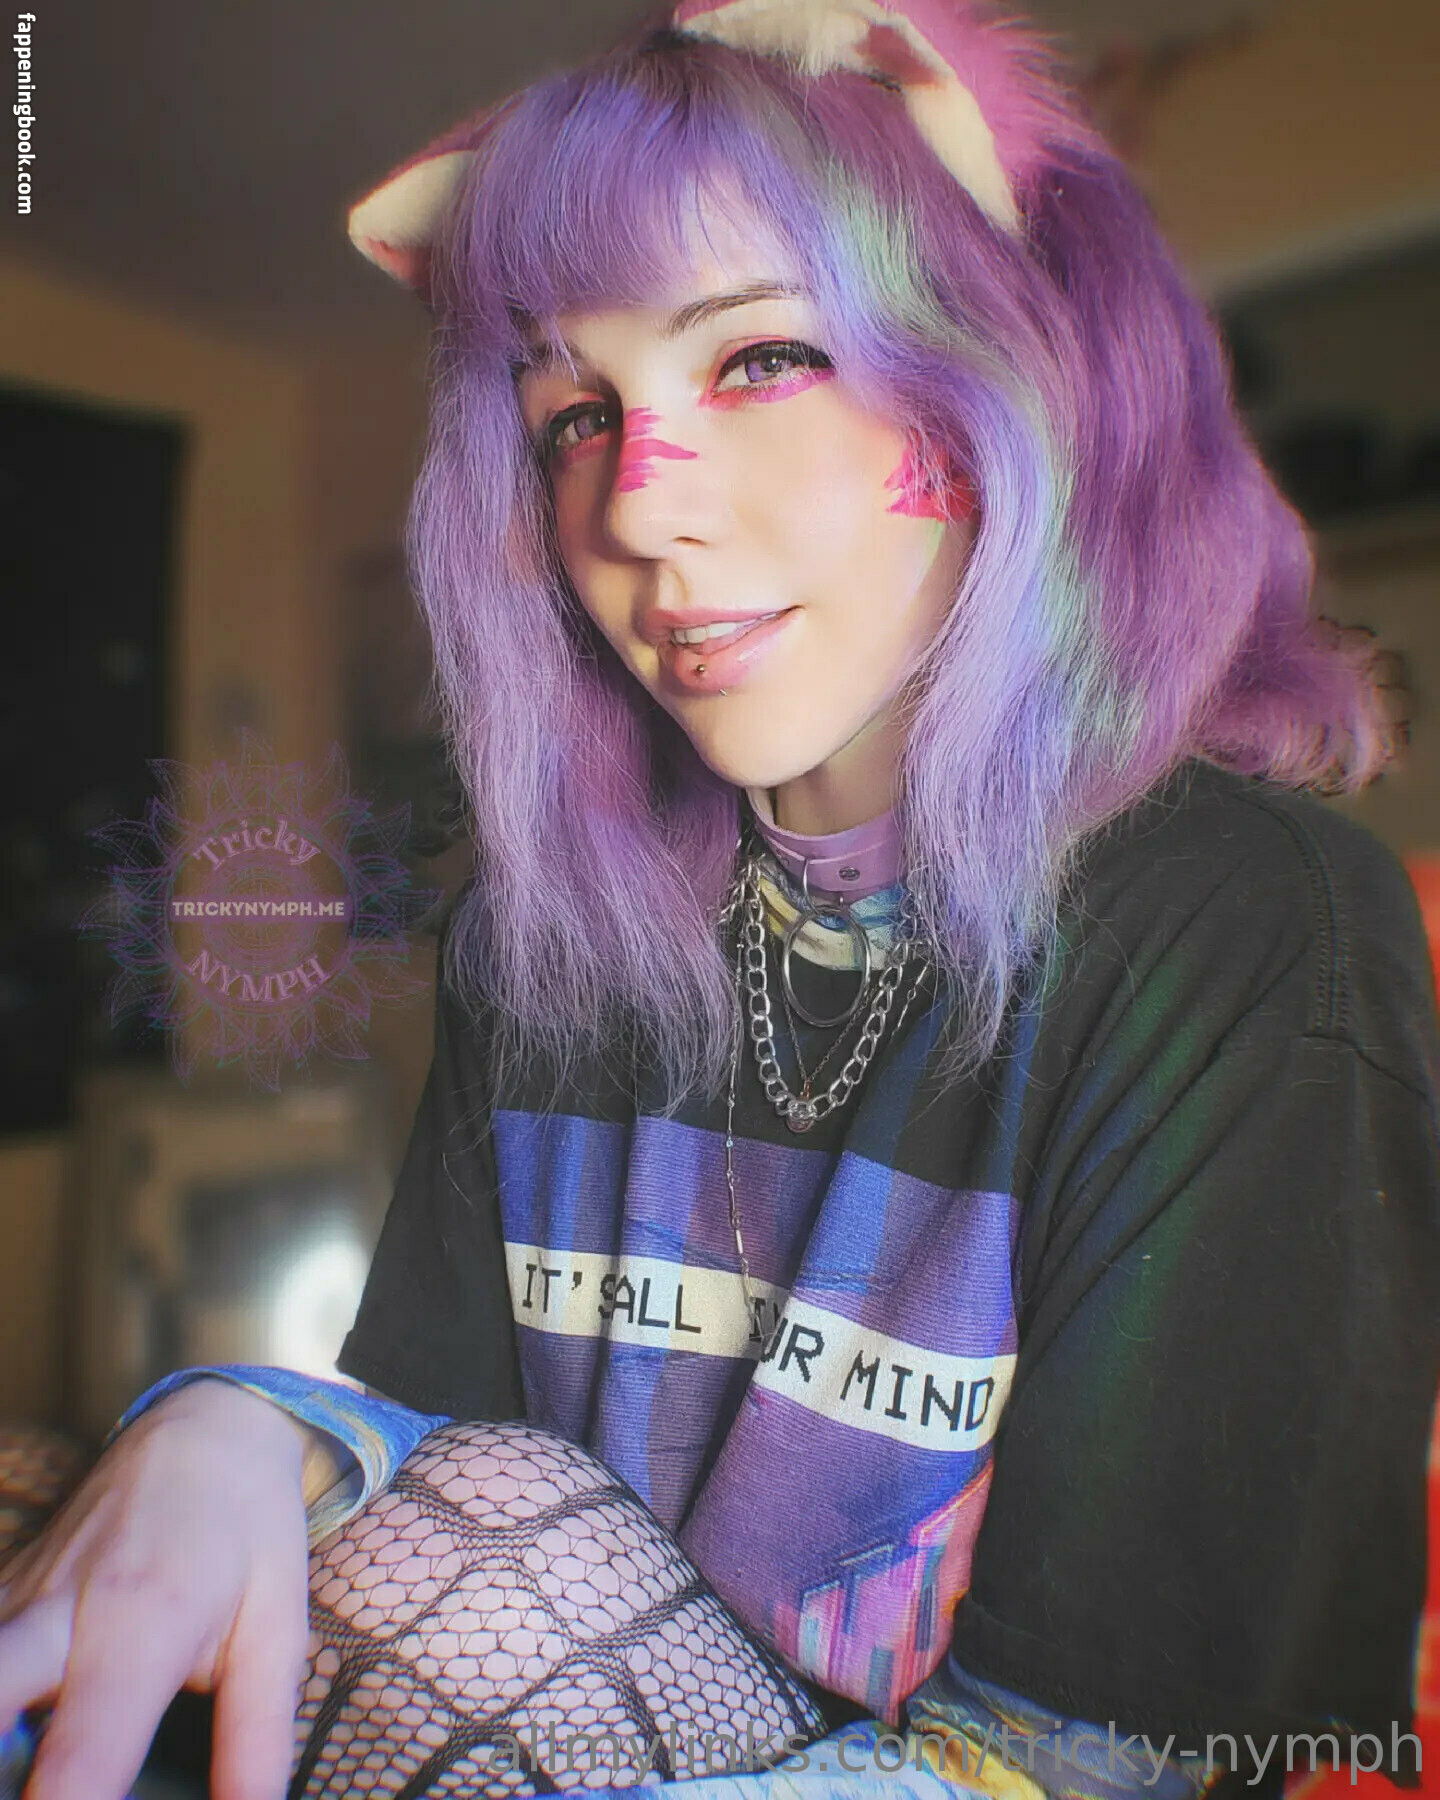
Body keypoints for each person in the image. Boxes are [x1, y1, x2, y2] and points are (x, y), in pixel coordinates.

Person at [2, 2, 1438, 1797]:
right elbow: (435, 1423)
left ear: (1019, 381)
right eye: (574, 414)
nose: (637, 510)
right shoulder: (541, 951)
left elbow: (1136, 1756)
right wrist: (237, 1428)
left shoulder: (1244, 927)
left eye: (761, 357)